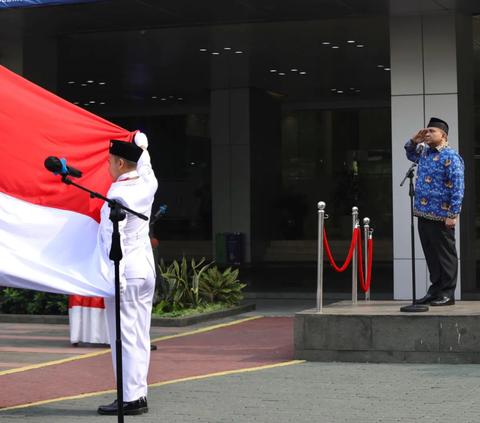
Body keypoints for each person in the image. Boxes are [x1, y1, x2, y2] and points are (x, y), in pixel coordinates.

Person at [97, 132, 158, 416]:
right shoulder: (147, 182)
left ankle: (130, 398)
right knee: (139, 334)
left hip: (127, 272)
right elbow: (145, 162)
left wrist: (115, 280)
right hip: (145, 270)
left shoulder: (118, 193)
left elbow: (113, 241)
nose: (107, 167)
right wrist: (141, 144)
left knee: (124, 336)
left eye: (110, 162)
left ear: (121, 163)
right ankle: (138, 394)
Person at [405, 117, 464, 306]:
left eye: (432, 131)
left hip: (442, 215)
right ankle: (436, 290)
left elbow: (458, 187)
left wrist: (453, 214)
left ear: (443, 135)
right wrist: (414, 140)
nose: (427, 134)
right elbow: (409, 153)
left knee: (445, 254)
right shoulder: (425, 154)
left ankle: (447, 293)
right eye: (426, 131)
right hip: (423, 213)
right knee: (432, 255)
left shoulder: (451, 156)